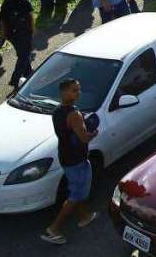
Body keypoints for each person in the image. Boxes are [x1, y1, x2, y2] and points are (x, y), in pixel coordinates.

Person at [41, 79, 98, 245]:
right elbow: (84, 138)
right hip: (77, 159)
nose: (78, 93)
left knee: (78, 189)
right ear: (64, 92)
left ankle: (84, 216)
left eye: (78, 90)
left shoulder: (58, 111)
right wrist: (93, 132)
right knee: (76, 194)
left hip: (65, 156)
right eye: (74, 90)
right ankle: (54, 229)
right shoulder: (74, 114)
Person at [0, 0, 34, 88]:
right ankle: (15, 79)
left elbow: (3, 21)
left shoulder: (5, 4)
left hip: (11, 34)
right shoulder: (25, 3)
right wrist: (33, 29)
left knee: (22, 52)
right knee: (24, 55)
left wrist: (4, 34)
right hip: (24, 33)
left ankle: (28, 72)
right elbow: (31, 17)